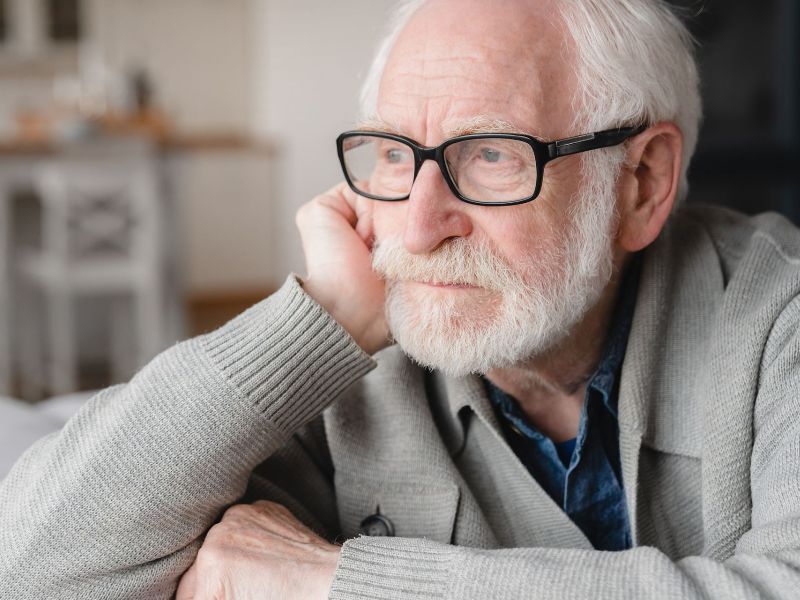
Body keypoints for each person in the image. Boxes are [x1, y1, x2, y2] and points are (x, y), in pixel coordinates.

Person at [3, 0, 800, 598]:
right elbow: (34, 568)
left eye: (490, 155)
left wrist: (338, 582)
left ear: (642, 183)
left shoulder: (778, 317)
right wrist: (316, 321)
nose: (416, 230)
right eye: (393, 153)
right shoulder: (342, 367)